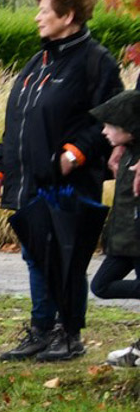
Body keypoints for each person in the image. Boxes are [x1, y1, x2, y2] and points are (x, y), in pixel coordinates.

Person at [0, 0, 124, 363]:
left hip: (69, 182)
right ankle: (41, 330)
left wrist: (75, 153)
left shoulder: (96, 62)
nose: (37, 17)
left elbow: (111, 119)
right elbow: (19, 119)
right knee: (36, 254)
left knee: (66, 257)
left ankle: (69, 334)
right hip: (31, 179)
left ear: (68, 15)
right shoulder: (38, 61)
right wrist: (0, 166)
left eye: (45, 10)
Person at [90, 90, 140, 365]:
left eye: (110, 125)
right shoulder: (128, 155)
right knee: (101, 285)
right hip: (123, 239)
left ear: (128, 127)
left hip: (136, 237)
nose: (104, 131)